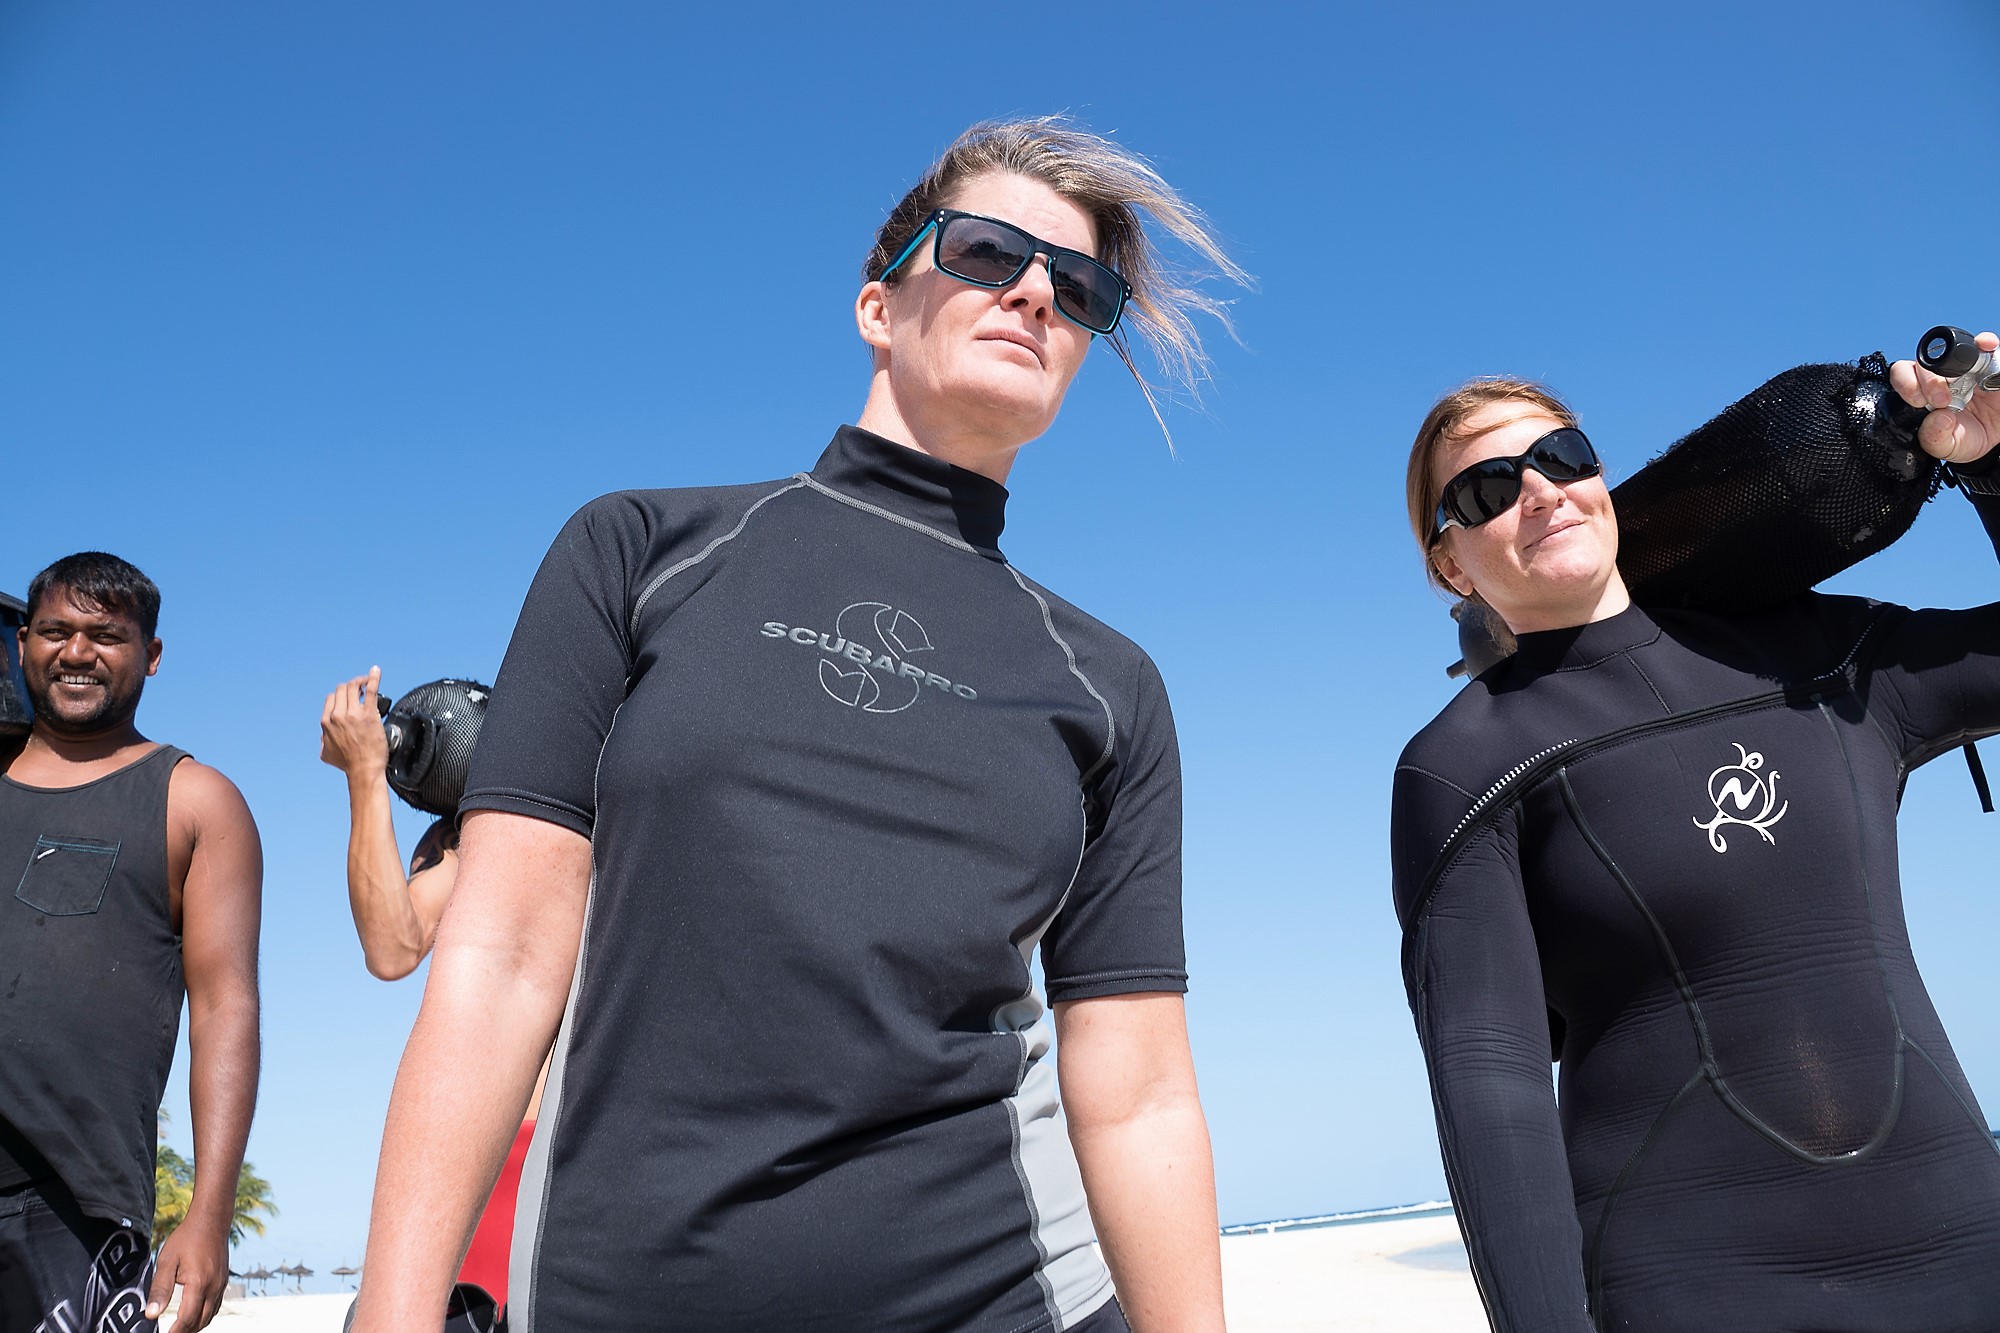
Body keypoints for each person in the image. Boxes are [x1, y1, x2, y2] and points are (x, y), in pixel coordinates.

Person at [350, 117, 1248, 1333]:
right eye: (987, 251)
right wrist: (389, 1313)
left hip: (1007, 1296)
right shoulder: (639, 555)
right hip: (635, 1294)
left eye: (1079, 287)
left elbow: (1136, 1089)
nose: (1036, 292)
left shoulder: (1106, 685)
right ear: (878, 306)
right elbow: (500, 957)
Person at [1391, 334, 2000, 1330]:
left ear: (1599, 480)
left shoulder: (1817, 652)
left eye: (1561, 457)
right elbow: (1488, 1092)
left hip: (1967, 1262)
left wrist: (1987, 465)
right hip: (1690, 1293)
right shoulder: (1461, 764)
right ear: (1448, 563)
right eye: (1484, 490)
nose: (1538, 492)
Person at [0, 552, 262, 1333]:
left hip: (76, 1206)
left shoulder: (193, 799)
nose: (76, 652)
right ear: (21, 646)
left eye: (105, 635)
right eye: (54, 631)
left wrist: (210, 1214)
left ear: (149, 655)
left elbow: (226, 1008)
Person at [319, 667, 534, 1312]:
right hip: (497, 1139)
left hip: (581, 1140)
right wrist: (363, 777)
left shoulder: (595, 818)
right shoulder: (463, 842)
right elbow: (392, 947)